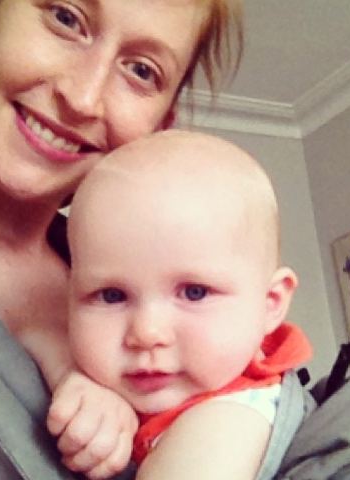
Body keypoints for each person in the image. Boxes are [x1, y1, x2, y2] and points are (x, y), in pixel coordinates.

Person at [0, 0, 243, 478]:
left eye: (141, 70)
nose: (82, 98)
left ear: (159, 125)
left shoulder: (159, 305)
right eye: (65, 18)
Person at [63, 130, 313, 479]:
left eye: (194, 292)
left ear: (270, 304)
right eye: (112, 295)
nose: (147, 333)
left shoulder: (227, 423)